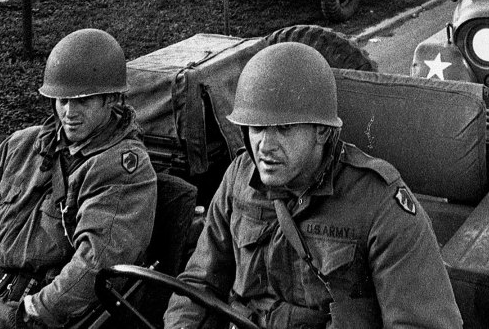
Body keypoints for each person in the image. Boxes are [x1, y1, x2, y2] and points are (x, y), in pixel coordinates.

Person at [163, 42, 463, 329]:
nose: (265, 146)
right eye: (257, 127)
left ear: (321, 131)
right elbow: (199, 286)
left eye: (284, 128)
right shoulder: (239, 178)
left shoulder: (379, 203)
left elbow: (420, 322)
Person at [0, 29, 157, 329]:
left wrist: (32, 314)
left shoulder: (122, 168)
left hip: (29, 314)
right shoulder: (23, 145)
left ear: (111, 99)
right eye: (61, 99)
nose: (68, 112)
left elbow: (96, 263)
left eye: (83, 101)